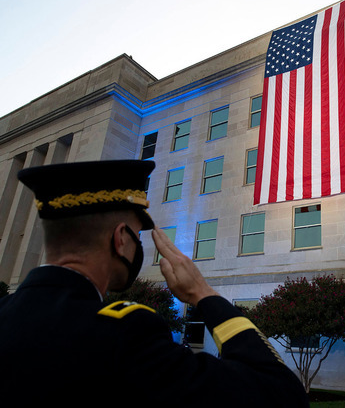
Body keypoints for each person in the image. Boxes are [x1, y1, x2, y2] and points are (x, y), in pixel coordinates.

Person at [0, 160, 309, 407]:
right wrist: (203, 294)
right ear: (121, 239)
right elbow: (280, 394)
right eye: (138, 234)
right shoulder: (124, 335)